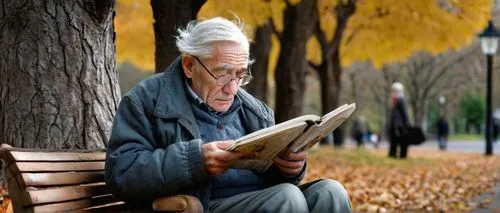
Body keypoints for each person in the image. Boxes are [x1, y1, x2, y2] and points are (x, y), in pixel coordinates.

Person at [104, 17, 352, 213]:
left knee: (331, 192)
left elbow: (274, 178)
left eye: (240, 74)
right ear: (189, 66)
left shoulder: (255, 110)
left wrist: (290, 168)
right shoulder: (146, 100)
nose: (232, 88)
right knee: (285, 198)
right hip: (202, 203)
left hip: (262, 198)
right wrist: (195, 161)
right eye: (222, 74)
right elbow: (122, 174)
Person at [388, 82, 410, 158]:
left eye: (396, 90)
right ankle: (392, 154)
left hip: (400, 125)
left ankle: (402, 155)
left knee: (402, 141)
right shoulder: (394, 100)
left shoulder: (401, 100)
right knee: (394, 141)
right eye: (393, 90)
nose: (394, 92)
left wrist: (407, 124)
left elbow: (404, 113)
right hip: (394, 125)